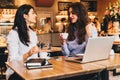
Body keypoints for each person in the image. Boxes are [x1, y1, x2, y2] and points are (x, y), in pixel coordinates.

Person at [6, 4, 40, 80]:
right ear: (25, 16)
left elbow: (35, 56)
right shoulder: (14, 33)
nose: (36, 15)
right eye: (33, 13)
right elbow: (12, 61)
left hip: (32, 70)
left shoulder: (32, 32)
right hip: (17, 72)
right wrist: (28, 54)